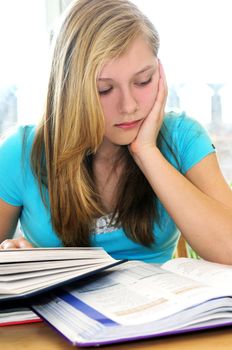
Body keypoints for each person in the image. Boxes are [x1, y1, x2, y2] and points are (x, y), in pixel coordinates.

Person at [0, 0, 232, 264]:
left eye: (143, 81)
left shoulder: (182, 136)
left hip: (161, 302)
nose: (129, 106)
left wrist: (146, 152)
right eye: (104, 89)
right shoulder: (19, 153)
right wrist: (14, 257)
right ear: (69, 91)